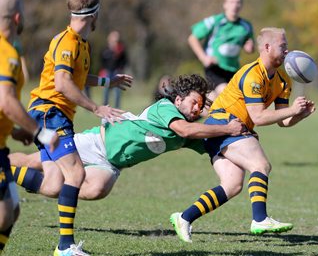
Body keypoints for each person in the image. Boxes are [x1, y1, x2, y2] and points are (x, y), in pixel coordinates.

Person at [170, 27, 316, 243]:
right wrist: (292, 110)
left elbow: (283, 121)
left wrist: (299, 115)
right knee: (260, 164)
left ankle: (184, 217)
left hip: (234, 128)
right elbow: (258, 117)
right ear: (267, 47)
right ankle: (260, 219)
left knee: (232, 185)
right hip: (223, 122)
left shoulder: (284, 81)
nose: (287, 51)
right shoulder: (252, 75)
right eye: (282, 46)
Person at [11, 74, 247, 201]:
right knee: (35, 163)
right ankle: (6, 164)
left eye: (200, 105)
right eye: (194, 102)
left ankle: (43, 184)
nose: (197, 109)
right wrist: (228, 129)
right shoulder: (165, 108)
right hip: (97, 142)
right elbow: (187, 130)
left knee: (95, 191)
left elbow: (211, 143)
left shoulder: (189, 132)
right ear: (178, 100)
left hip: (113, 163)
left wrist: (237, 136)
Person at [26, 0, 133, 256]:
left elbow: (78, 78)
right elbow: (62, 83)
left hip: (52, 116)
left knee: (52, 183)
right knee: (75, 175)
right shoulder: (68, 42)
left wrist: (110, 82)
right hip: (50, 113)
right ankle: (65, 247)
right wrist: (97, 107)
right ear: (95, 14)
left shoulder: (82, 45)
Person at [0, 0, 59, 256]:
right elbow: (7, 102)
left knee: (12, 210)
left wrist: (13, 130)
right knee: (4, 213)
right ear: (17, 17)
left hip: (2, 147)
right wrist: (40, 133)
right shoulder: (7, 52)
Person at [187, 0, 254, 109]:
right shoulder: (215, 21)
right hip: (215, 67)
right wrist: (203, 58)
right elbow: (193, 38)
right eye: (232, 2)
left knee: (213, 102)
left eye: (238, 2)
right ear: (225, 4)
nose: (235, 5)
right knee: (227, 94)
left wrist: (249, 47)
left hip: (233, 69)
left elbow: (249, 45)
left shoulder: (246, 26)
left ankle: (193, 113)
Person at [100, 30, 128, 108]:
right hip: (107, 73)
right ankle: (105, 109)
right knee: (105, 92)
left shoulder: (121, 49)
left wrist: (121, 70)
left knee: (117, 93)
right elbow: (102, 63)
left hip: (117, 73)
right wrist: (102, 73)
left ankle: (117, 109)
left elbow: (124, 61)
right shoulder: (105, 50)